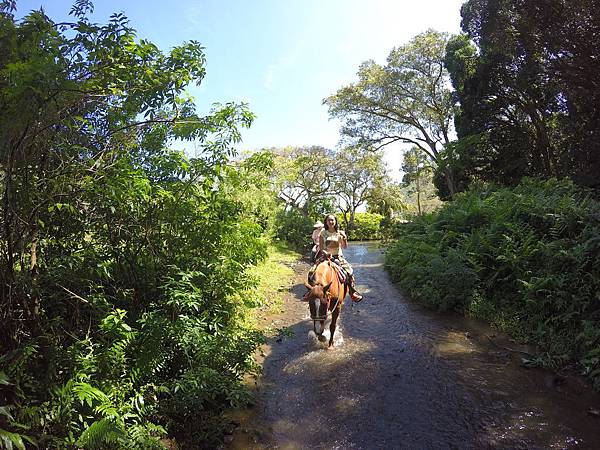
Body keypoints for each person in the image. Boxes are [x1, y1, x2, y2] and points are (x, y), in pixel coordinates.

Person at [317, 214, 363, 302]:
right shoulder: (323, 233)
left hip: (338, 257)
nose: (330, 222)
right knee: (313, 272)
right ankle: (311, 291)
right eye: (328, 220)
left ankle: (352, 292)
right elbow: (321, 247)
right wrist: (326, 253)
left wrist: (345, 238)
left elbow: (345, 246)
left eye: (332, 220)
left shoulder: (340, 232)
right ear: (326, 222)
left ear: (335, 221)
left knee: (349, 271)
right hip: (326, 256)